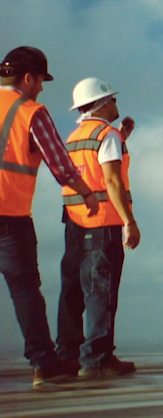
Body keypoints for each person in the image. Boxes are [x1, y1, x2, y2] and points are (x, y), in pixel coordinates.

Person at [0, 46, 101, 387]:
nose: (42, 88)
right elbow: (59, 163)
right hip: (9, 217)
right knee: (25, 291)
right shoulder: (30, 111)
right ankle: (43, 365)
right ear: (28, 78)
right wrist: (86, 192)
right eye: (41, 80)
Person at [54, 78, 141, 379]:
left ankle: (67, 355)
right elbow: (112, 181)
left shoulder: (75, 136)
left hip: (74, 224)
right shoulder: (107, 135)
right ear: (102, 103)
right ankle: (97, 359)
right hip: (103, 224)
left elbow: (87, 170)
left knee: (72, 292)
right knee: (101, 293)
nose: (116, 104)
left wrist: (122, 136)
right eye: (112, 99)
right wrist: (129, 222)